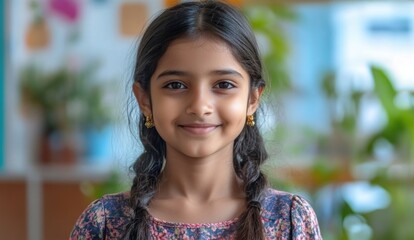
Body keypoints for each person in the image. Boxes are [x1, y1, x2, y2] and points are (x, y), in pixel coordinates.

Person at [70, 1, 322, 239]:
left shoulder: (289, 220)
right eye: (176, 85)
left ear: (253, 99)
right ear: (145, 99)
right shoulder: (103, 223)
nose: (200, 106)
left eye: (224, 84)